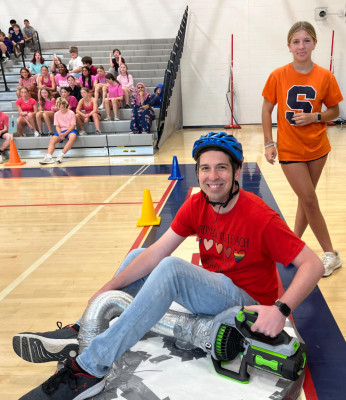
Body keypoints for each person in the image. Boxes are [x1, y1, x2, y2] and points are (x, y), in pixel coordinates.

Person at [14, 132, 324, 400]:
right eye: (205, 168)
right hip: (216, 292)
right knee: (139, 257)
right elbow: (156, 252)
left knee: (172, 270)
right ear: (198, 171)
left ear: (237, 172)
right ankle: (83, 328)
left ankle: (90, 368)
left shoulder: (260, 217)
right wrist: (103, 291)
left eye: (221, 168)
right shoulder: (197, 204)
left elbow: (312, 264)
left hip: (247, 303)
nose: (212, 177)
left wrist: (280, 310)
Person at [262, 21, 343, 277]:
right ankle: (330, 253)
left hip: (318, 148)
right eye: (296, 41)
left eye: (306, 40)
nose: (301, 46)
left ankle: (292, 244)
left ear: (315, 43)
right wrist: (268, 142)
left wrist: (315, 117)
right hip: (290, 149)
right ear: (289, 46)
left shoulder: (325, 76)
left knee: (305, 199)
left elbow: (335, 110)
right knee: (308, 198)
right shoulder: (278, 75)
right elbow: (266, 109)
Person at [39, 97, 78, 164]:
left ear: (66, 104)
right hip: (61, 130)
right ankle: (49, 157)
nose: (61, 105)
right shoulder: (56, 114)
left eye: (62, 104)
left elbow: (73, 126)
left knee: (72, 137)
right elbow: (57, 126)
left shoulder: (71, 113)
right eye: (59, 104)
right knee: (52, 140)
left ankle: (61, 155)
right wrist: (60, 133)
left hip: (70, 130)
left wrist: (65, 134)